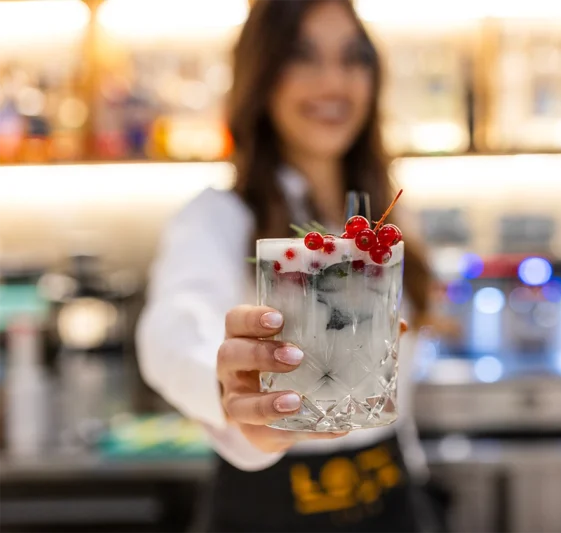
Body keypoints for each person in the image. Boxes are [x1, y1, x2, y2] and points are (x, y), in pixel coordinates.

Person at [136, 0, 445, 531]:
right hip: (270, 503)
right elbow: (171, 329)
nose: (334, 82)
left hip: (393, 492)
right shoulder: (218, 217)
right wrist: (226, 386)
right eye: (303, 57)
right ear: (263, 75)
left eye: (353, 59)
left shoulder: (385, 216)